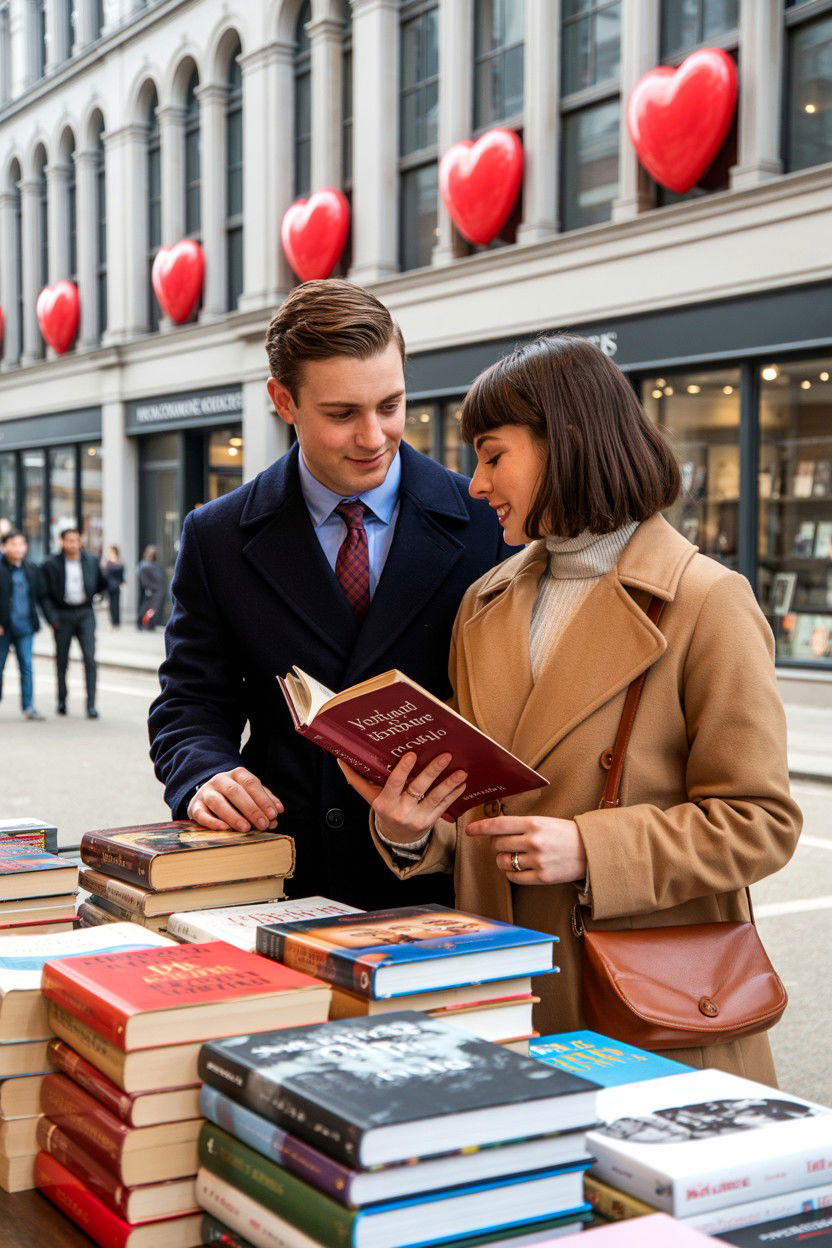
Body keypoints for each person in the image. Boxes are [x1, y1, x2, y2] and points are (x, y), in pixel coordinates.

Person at [346, 334, 802, 1084]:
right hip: (498, 996)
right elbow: (487, 811)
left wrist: (593, 848)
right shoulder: (484, 603)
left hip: (647, 1016)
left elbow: (760, 822)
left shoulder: (706, 603)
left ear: (565, 444)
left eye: (494, 456)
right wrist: (409, 832)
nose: (475, 483)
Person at [148, 279, 510, 909]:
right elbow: (189, 701)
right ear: (282, 401)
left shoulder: (487, 522)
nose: (373, 437)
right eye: (342, 414)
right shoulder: (218, 536)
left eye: (391, 405)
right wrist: (204, 774)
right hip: (283, 876)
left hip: (441, 884)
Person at [39, 527, 107, 719]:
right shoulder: (50, 564)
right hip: (62, 615)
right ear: (62, 542)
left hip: (85, 613)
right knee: (62, 660)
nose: (73, 544)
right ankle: (62, 700)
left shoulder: (91, 561)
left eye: (76, 540)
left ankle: (91, 705)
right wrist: (51, 618)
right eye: (69, 540)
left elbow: (103, 583)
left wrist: (99, 596)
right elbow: (43, 595)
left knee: (90, 658)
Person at [0, 530, 46, 720]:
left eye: (21, 544)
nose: (18, 548)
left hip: (25, 627)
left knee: (27, 667)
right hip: (3, 628)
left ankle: (28, 706)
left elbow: (41, 595)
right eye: (14, 544)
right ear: (4, 547)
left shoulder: (31, 568)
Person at [136, 545, 166, 631]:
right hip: (151, 590)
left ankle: (149, 624)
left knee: (152, 609)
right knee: (148, 608)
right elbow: (143, 580)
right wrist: (150, 587)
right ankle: (143, 623)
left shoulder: (158, 566)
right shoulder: (144, 565)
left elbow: (162, 579)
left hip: (158, 591)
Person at [102, 545, 125, 627]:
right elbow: (105, 573)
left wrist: (122, 582)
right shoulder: (107, 561)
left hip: (116, 585)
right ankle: (112, 621)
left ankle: (116, 621)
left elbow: (122, 574)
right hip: (109, 585)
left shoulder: (119, 562)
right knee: (111, 604)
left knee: (116, 604)